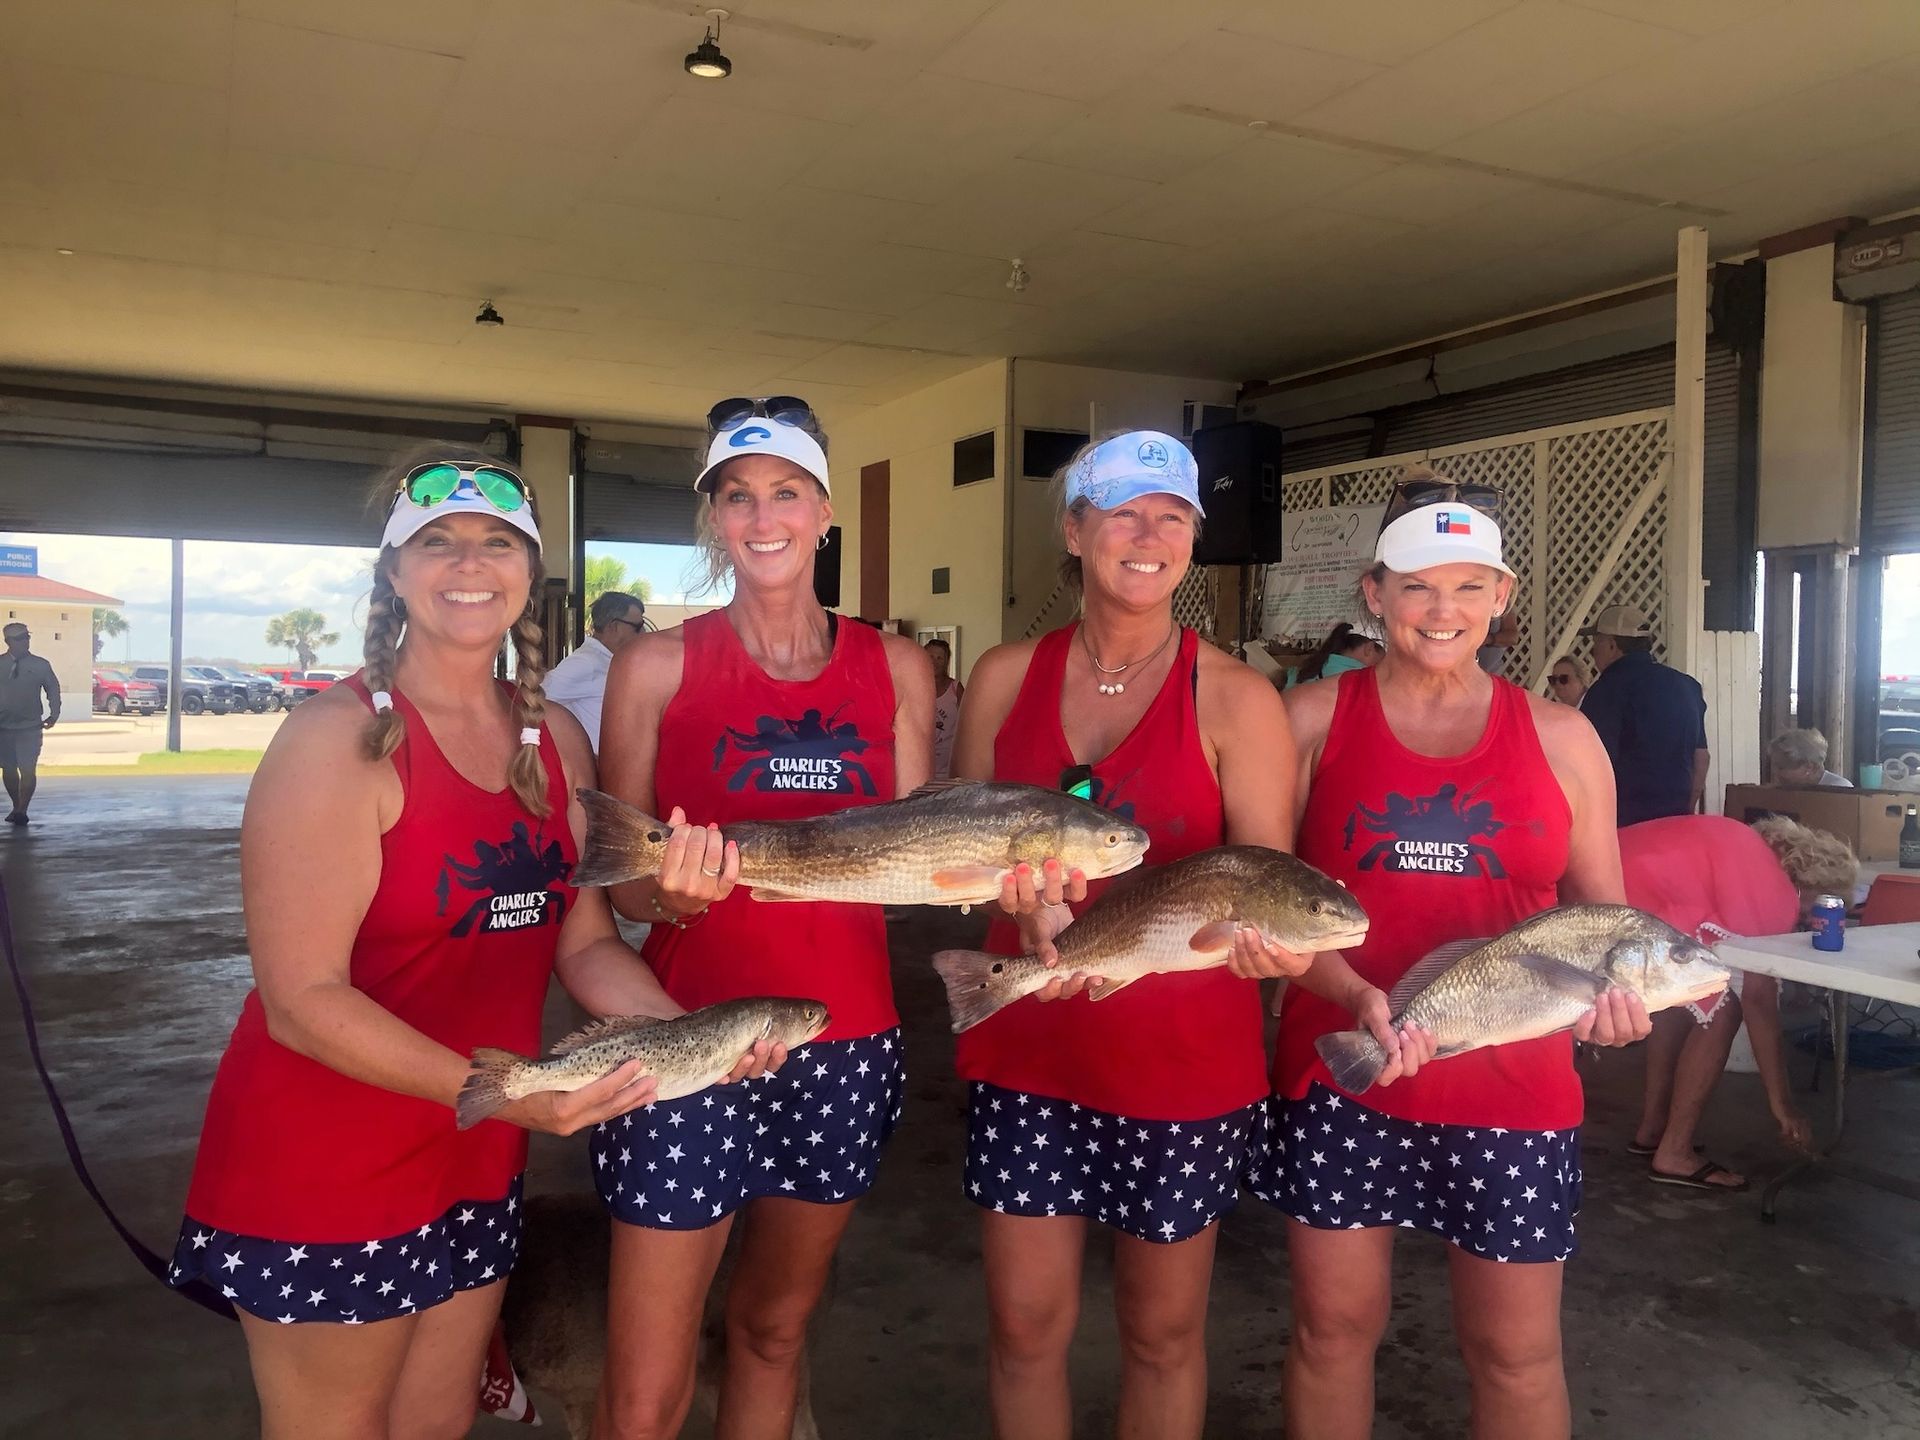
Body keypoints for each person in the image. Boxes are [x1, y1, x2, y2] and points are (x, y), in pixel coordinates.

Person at [166, 447, 781, 1440]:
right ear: (393, 572)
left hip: (475, 1153)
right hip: (327, 1162)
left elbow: (582, 944)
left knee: (437, 1423)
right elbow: (302, 998)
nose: (469, 564)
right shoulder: (337, 742)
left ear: (527, 573)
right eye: (436, 542)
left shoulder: (549, 745)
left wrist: (698, 1040)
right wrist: (512, 1091)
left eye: (497, 543)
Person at [1254, 496, 1651, 1440]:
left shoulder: (1563, 737)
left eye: (1470, 586)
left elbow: (1604, 921)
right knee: (1332, 1332)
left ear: (1502, 595)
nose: (1443, 609)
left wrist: (1619, 1000)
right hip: (1343, 1071)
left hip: (1515, 1088)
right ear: (1375, 594)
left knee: (1516, 1354)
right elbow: (1260, 904)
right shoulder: (1308, 719)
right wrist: (1350, 993)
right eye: (1418, 587)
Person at [952, 430, 1316, 1440]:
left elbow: (1265, 885)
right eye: (1122, 513)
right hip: (1029, 1046)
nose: (1147, 535)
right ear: (1075, 531)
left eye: (1173, 517)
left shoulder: (1239, 699)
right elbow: (960, 852)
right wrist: (1018, 905)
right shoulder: (1002, 677)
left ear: (1193, 539)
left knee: (1161, 1335)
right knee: (1025, 1326)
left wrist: (1273, 954)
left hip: (1181, 1066)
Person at [591, 397, 933, 1440]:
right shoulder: (655, 666)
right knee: (645, 1384)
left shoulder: (897, 668)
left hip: (844, 1040)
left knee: (776, 1331)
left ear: (825, 511)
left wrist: (1014, 882)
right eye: (737, 497)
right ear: (715, 520)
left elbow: (913, 863)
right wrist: (670, 896)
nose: (763, 515)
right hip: (685, 1035)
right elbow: (620, 888)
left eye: (786, 492)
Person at [1621, 815, 1844, 1191]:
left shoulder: (1742, 842)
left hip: (1605, 874)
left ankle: (1654, 1127)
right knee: (1723, 1013)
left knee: (1681, 1000)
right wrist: (1782, 1105)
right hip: (1616, 890)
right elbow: (1758, 1001)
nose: (1804, 922)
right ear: (1811, 887)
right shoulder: (1772, 888)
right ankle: (1674, 1152)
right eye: (1811, 915)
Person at [1578, 603, 1709, 826]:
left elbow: (1590, 765)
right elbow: (1701, 758)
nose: (1593, 651)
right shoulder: (1687, 686)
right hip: (1674, 822)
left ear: (1611, 645)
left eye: (1596, 642)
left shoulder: (1606, 690)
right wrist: (1685, 812)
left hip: (1624, 826)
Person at [544, 589, 647, 751]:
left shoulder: (611, 661)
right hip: (599, 769)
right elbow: (534, 700)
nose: (643, 633)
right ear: (615, 626)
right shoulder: (586, 662)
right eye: (638, 627)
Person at [1, 621, 59, 824]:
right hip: (3, 727)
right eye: (20, 638)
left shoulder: (40, 665)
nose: (25, 641)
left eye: (27, 636)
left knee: (28, 768)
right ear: (7, 641)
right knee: (7, 769)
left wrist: (54, 713)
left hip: (30, 726)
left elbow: (52, 688)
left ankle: (22, 809)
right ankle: (17, 805)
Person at [1290, 621, 1383, 686]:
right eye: (1380, 662)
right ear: (1369, 648)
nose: (1382, 667)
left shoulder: (1297, 672)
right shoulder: (1363, 680)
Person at [925, 634, 964, 779]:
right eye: (930, 656)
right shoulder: (914, 686)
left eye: (939, 658)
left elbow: (967, 724)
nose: (934, 662)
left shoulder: (955, 688)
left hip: (948, 767)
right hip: (921, 765)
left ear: (947, 661)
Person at [1767, 726, 1852, 788]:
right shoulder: (1787, 790)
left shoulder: (1840, 789)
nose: (1775, 772)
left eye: (1781, 767)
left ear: (1809, 767)